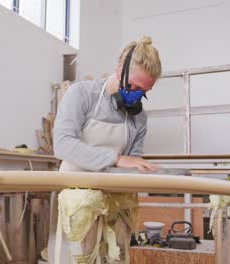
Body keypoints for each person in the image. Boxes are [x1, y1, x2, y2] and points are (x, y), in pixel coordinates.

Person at [48, 36, 162, 264]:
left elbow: (133, 163)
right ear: (120, 70)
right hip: (75, 195)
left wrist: (141, 171)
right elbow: (63, 144)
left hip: (114, 197)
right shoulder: (81, 95)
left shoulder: (139, 118)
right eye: (134, 86)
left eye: (144, 91)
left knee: (115, 257)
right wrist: (115, 159)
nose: (137, 95)